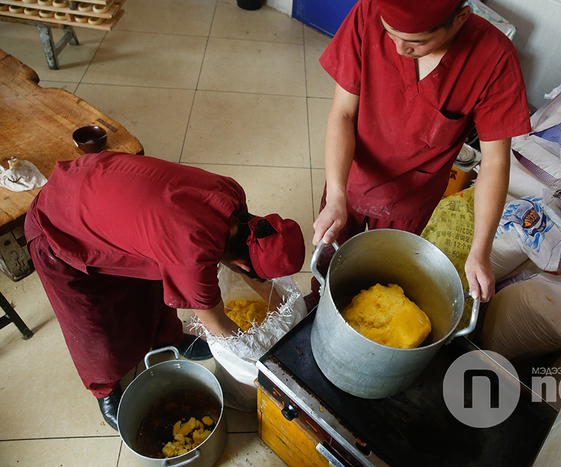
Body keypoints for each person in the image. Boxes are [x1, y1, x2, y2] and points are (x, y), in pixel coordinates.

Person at [25, 151, 305, 430]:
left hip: (99, 185)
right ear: (241, 263)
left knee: (152, 286)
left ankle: (166, 338)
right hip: (59, 223)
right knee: (92, 323)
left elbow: (250, 267)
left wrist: (289, 325)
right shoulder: (191, 252)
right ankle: (104, 387)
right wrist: (261, 353)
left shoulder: (232, 197)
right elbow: (218, 324)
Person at [310, 0, 531, 305]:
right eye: (390, 34)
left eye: (417, 41)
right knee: (328, 267)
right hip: (349, 179)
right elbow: (343, 114)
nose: (400, 49)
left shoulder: (494, 58)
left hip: (410, 202)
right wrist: (335, 197)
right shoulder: (368, 12)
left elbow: (495, 162)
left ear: (460, 18)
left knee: (379, 280)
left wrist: (479, 252)